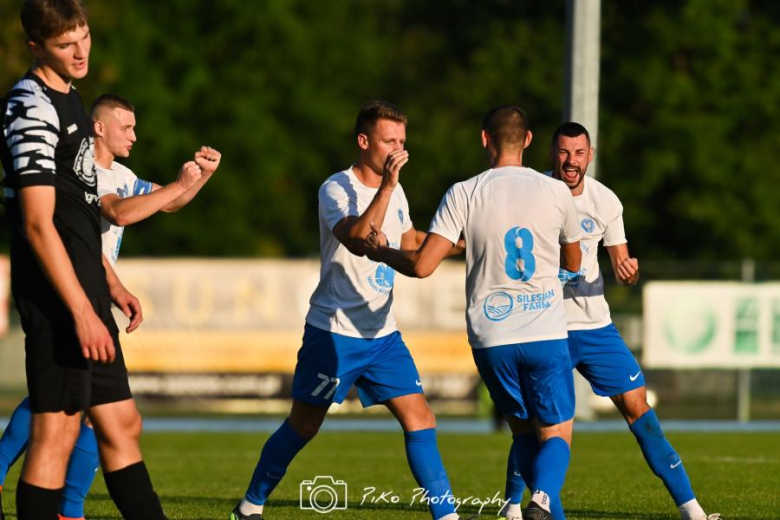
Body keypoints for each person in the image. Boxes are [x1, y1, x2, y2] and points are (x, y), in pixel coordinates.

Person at [230, 101, 463, 520]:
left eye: (402, 142)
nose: (398, 150)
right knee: (303, 426)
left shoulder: (399, 191)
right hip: (334, 332)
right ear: (363, 141)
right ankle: (250, 505)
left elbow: (409, 243)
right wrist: (387, 187)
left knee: (421, 418)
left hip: (382, 335)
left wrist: (458, 242)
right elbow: (356, 238)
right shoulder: (335, 187)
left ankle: (446, 515)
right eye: (389, 141)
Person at [0, 89, 220, 520]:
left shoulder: (121, 172)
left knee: (83, 407)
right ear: (98, 127)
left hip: (96, 290)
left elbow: (169, 202)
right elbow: (119, 214)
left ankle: (69, 508)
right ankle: (62, 504)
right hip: (73, 292)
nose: (135, 135)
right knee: (65, 404)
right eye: (127, 127)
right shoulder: (87, 175)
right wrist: (177, 185)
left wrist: (199, 178)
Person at [364, 105, 582, 520]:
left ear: (484, 139)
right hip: (545, 331)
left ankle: (534, 503)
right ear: (530, 140)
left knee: (522, 432)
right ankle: (541, 499)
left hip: (492, 337)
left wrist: (382, 251)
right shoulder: (556, 191)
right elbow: (572, 258)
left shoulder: (464, 191)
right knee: (556, 433)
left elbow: (423, 265)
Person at [500, 122, 719, 520]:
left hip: (596, 326)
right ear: (552, 154)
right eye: (564, 152)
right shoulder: (534, 192)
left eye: (579, 153)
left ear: (590, 156)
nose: (571, 161)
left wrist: (626, 269)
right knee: (540, 426)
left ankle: (693, 510)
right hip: (546, 327)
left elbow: (621, 257)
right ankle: (514, 504)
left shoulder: (606, 201)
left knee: (640, 408)